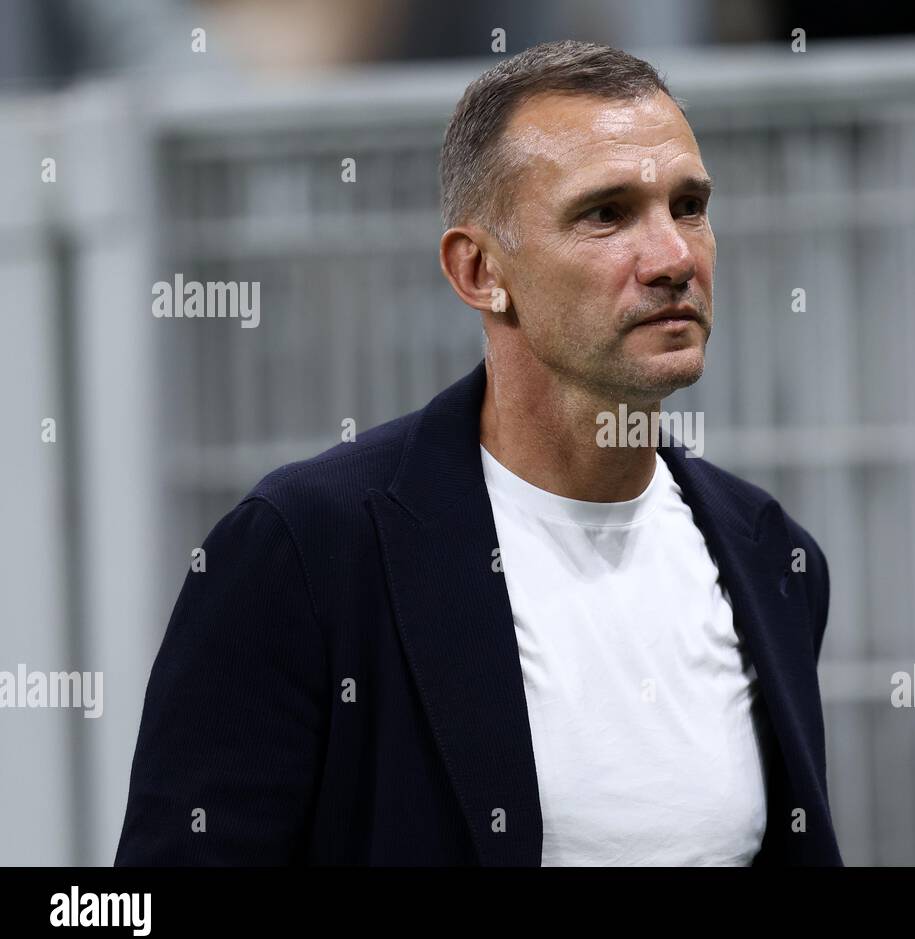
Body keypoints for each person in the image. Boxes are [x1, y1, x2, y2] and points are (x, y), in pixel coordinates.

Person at [115, 39, 842, 866]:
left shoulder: (771, 555)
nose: (674, 257)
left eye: (688, 205)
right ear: (478, 269)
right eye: (606, 213)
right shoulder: (307, 552)